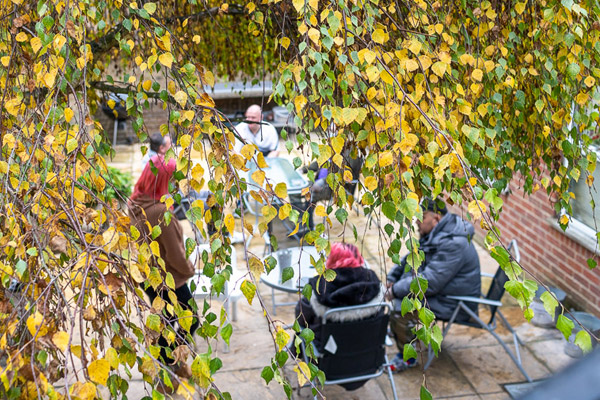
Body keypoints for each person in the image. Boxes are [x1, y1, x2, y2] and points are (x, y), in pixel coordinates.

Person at [386, 198, 481, 372]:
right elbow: (411, 257)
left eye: (421, 218)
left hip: (456, 302)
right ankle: (400, 331)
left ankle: (408, 358)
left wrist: (395, 290)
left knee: (400, 306)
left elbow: (430, 282)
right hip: (445, 292)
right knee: (405, 287)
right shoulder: (437, 233)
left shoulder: (454, 243)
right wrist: (392, 277)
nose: (416, 222)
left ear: (436, 218)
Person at [128, 154, 198, 392]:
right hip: (169, 280)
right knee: (191, 319)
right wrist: (190, 269)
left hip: (150, 278)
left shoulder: (137, 202)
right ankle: (171, 370)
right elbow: (175, 255)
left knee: (166, 324)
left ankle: (170, 369)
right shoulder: (159, 211)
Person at [295, 242, 384, 390]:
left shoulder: (317, 287)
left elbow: (301, 317)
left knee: (301, 331)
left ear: (331, 259)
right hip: (368, 360)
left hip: (329, 363)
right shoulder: (374, 284)